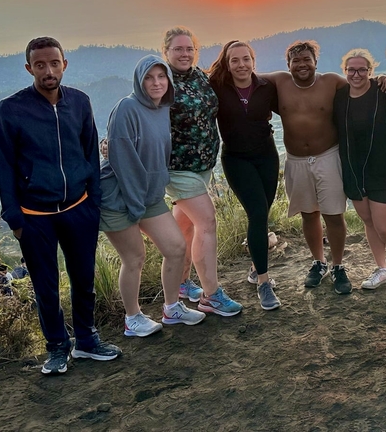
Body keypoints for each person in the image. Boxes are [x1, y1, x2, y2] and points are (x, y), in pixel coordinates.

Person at [0, 36, 121, 375]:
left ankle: (88, 340)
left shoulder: (79, 102)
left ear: (64, 64)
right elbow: (3, 165)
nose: (48, 70)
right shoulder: (11, 110)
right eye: (40, 65)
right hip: (35, 217)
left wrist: (92, 201)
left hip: (79, 208)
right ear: (29, 68)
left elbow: (90, 151)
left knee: (83, 278)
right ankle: (57, 347)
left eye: (54, 63)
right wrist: (14, 217)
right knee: (45, 285)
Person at [100, 55, 207, 337]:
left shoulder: (163, 108)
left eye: (161, 77)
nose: (156, 83)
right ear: (139, 80)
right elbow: (123, 161)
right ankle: (132, 318)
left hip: (147, 195)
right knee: (134, 258)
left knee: (175, 248)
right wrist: (136, 205)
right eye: (149, 77)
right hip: (117, 195)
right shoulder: (127, 108)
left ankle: (172, 309)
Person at [162, 28, 243, 317]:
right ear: (166, 52)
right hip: (178, 168)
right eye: (178, 49)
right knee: (207, 222)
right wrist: (112, 141)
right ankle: (212, 296)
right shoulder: (162, 80)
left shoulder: (198, 75)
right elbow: (140, 112)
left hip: (203, 166)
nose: (184, 54)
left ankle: (181, 284)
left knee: (186, 227)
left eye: (189, 49)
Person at [263, 41, 351, 295]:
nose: (301, 65)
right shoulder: (279, 82)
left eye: (306, 60)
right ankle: (318, 262)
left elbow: (362, 84)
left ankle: (338, 266)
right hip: (296, 160)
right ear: (288, 64)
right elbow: (244, 75)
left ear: (316, 61)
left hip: (328, 156)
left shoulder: (332, 82)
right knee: (308, 213)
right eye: (296, 61)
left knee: (334, 214)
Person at [207, 40, 282, 311]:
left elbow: (296, 105)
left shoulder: (266, 87)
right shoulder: (217, 88)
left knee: (263, 213)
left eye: (245, 59)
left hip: (267, 157)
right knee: (258, 214)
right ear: (227, 64)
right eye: (235, 60)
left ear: (253, 60)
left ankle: (254, 268)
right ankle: (263, 282)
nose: (241, 65)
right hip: (236, 160)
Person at [332, 49, 386, 291]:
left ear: (370, 71)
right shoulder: (339, 97)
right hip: (353, 168)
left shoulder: (383, 92)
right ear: (345, 71)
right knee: (368, 221)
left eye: (362, 69)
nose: (356, 74)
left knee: (384, 226)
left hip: (383, 167)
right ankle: (381, 268)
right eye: (351, 69)